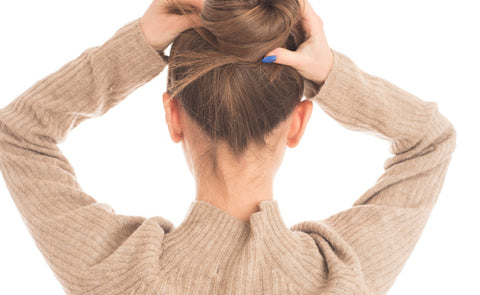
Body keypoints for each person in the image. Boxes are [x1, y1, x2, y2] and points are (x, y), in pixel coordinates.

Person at [0, 0, 456, 294]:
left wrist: (139, 43)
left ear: (173, 117)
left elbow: (18, 132)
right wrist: (328, 73)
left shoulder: (119, 273)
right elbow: (429, 140)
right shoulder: (338, 277)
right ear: (297, 125)